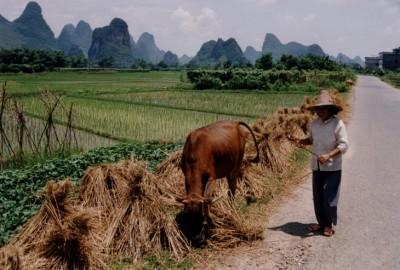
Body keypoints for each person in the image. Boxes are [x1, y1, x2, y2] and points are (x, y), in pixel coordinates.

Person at [287, 90, 349, 237]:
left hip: (332, 167)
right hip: (317, 165)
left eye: (324, 108)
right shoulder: (315, 123)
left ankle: (328, 225)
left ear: (330, 109)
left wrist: (328, 155)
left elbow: (344, 145)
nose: (320, 111)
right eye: (318, 109)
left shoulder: (337, 123)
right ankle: (321, 223)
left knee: (329, 198)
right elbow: (310, 140)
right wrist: (297, 140)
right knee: (318, 197)